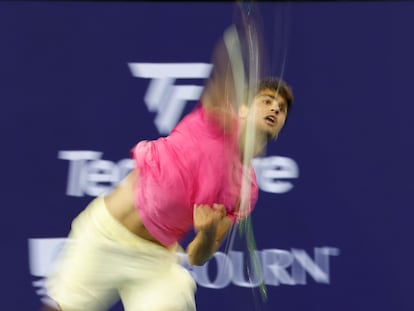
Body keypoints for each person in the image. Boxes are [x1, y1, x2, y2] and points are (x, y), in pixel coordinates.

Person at [41, 28, 294, 311]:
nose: (274, 109)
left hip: (155, 262)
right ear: (242, 109)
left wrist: (208, 233)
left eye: (281, 108)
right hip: (105, 235)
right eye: (266, 101)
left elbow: (199, 257)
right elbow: (224, 73)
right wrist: (246, 43)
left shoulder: (245, 190)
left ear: (282, 126)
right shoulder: (216, 122)